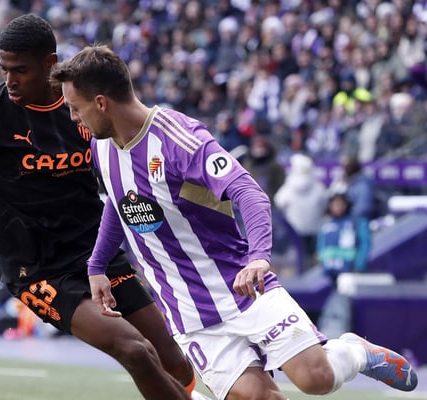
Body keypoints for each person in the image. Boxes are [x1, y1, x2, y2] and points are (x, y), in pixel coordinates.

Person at [52, 45, 419, 400]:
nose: (73, 118)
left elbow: (249, 192)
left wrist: (259, 257)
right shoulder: (102, 147)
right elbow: (122, 203)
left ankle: (354, 351)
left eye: (75, 108)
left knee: (316, 378)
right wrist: (97, 266)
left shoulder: (180, 139)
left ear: (101, 102)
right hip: (189, 313)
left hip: (242, 287)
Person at [0, 14, 202, 400]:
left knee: (174, 360)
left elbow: (122, 177)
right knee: (135, 350)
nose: (10, 80)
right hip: (38, 271)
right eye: (4, 69)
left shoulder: (86, 109)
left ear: (50, 63)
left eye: (20, 70)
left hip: (98, 258)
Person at [316, 193, 371, 339]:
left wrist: (359, 265)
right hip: (330, 273)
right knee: (331, 305)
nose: (338, 207)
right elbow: (321, 245)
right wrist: (323, 262)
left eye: (341, 204)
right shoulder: (327, 224)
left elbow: (364, 243)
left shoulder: (355, 222)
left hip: (348, 273)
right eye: (335, 204)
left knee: (344, 307)